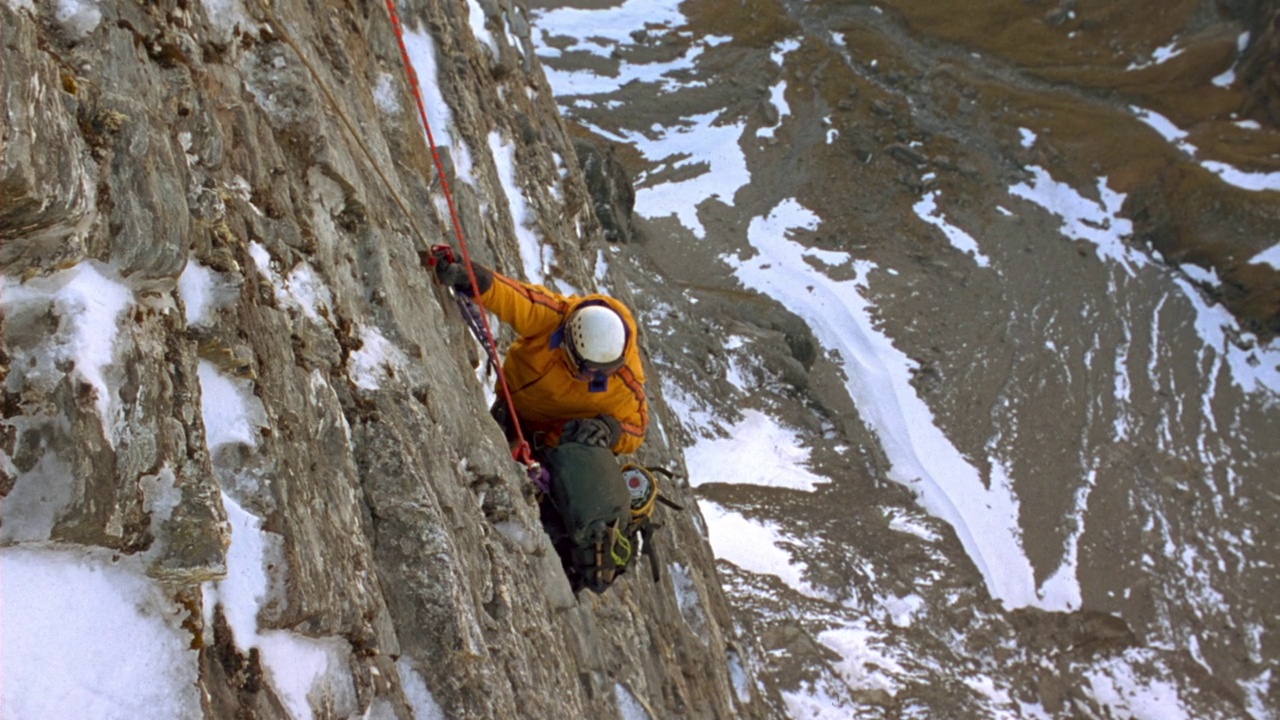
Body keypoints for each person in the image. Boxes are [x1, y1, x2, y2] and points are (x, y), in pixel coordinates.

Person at [432, 249, 648, 457]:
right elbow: (517, 299)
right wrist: (474, 280)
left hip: (551, 445)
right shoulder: (554, 319)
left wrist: (611, 430)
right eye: (589, 370)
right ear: (569, 346)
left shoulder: (623, 382)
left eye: (603, 371)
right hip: (509, 409)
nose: (595, 377)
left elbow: (637, 430)